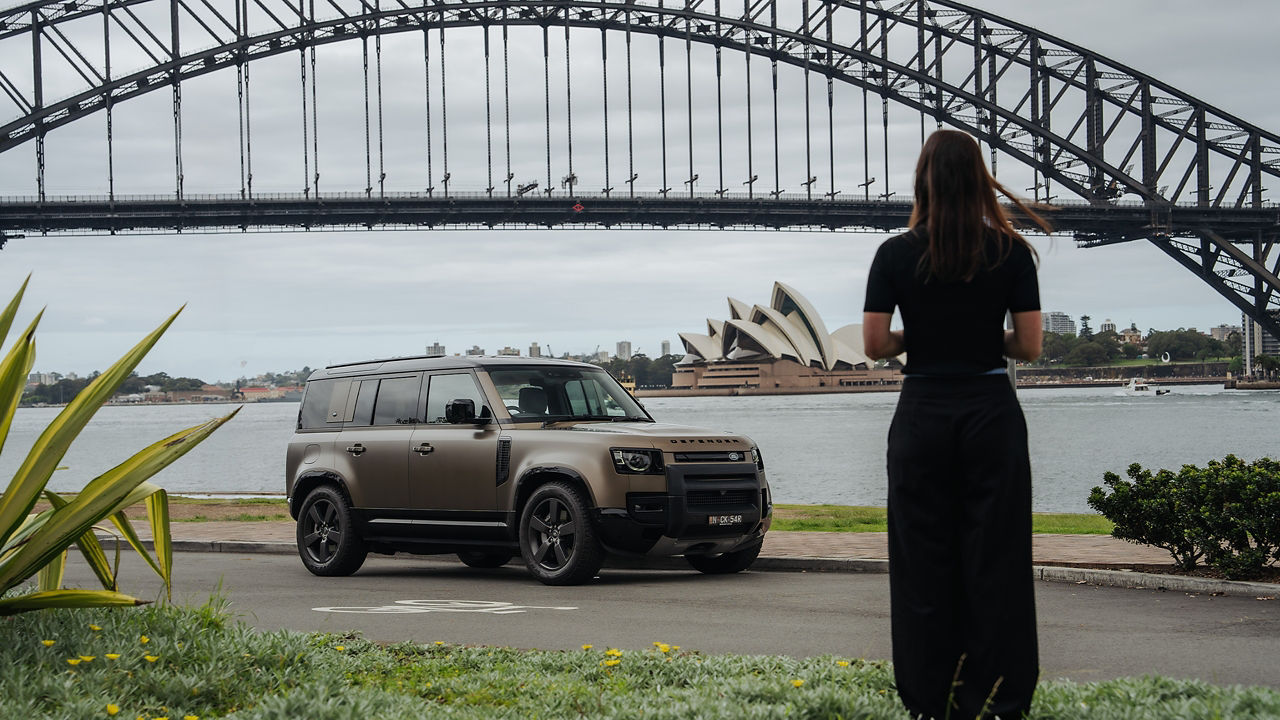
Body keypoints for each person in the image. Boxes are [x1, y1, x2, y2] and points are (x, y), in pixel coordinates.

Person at [862, 129, 1052, 720]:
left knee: (921, 561)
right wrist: (976, 335)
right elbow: (1030, 346)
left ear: (923, 180)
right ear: (980, 179)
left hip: (921, 413)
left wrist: (922, 334)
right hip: (990, 412)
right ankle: (995, 700)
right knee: (997, 559)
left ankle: (928, 701)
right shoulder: (1013, 253)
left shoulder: (893, 254)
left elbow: (874, 345)